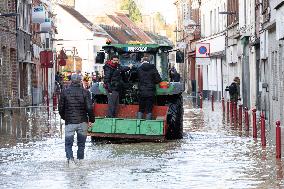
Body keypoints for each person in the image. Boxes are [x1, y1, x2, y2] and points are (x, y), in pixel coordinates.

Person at [58, 74, 95, 167]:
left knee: (68, 144)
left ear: (71, 81)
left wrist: (65, 117)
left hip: (69, 122)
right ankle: (80, 161)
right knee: (81, 144)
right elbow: (89, 108)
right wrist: (91, 120)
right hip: (83, 122)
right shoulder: (86, 92)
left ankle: (70, 161)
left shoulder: (64, 92)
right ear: (80, 81)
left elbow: (60, 108)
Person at [137, 54, 162, 120]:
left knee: (141, 108)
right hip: (150, 92)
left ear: (142, 62)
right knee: (149, 109)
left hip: (141, 92)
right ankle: (148, 123)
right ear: (149, 61)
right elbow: (158, 80)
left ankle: (138, 123)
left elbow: (134, 78)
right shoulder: (153, 68)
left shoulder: (139, 69)